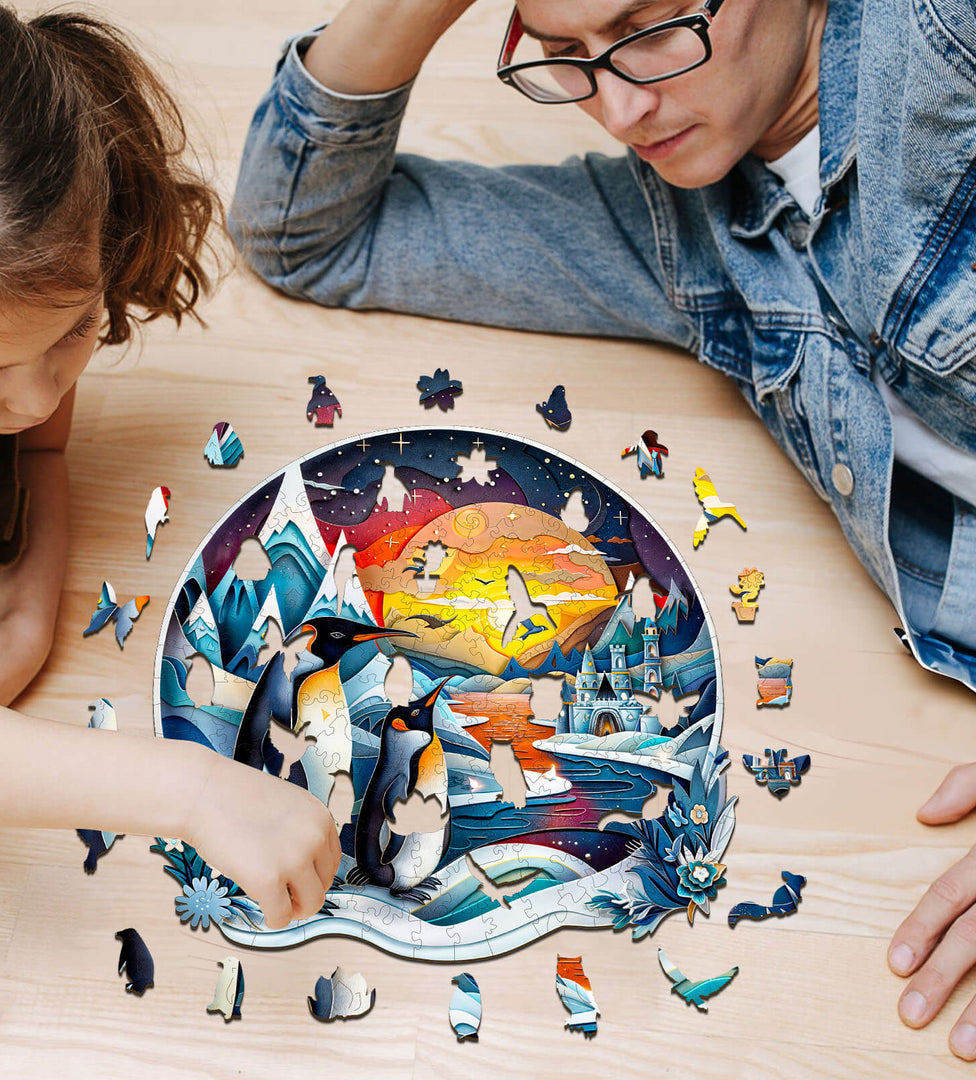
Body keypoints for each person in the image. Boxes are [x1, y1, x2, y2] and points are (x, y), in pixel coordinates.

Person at [227, 0, 976, 1055]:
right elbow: (301, 231)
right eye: (564, 53)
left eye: (651, 26)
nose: (620, 109)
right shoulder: (674, 222)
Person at [0, 0, 340, 932]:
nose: (34, 397)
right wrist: (193, 789)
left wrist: (25, 625)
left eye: (74, 330)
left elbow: (41, 446)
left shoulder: (10, 332)